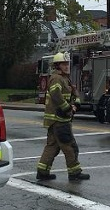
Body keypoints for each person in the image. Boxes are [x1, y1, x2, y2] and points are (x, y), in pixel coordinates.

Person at [36, 52, 90, 182]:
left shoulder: (65, 79)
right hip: (60, 120)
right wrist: (67, 108)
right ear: (57, 65)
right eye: (64, 64)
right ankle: (74, 173)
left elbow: (71, 94)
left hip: (56, 120)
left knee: (52, 147)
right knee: (70, 147)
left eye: (68, 64)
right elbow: (55, 93)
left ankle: (42, 172)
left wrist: (76, 102)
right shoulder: (57, 78)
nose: (67, 66)